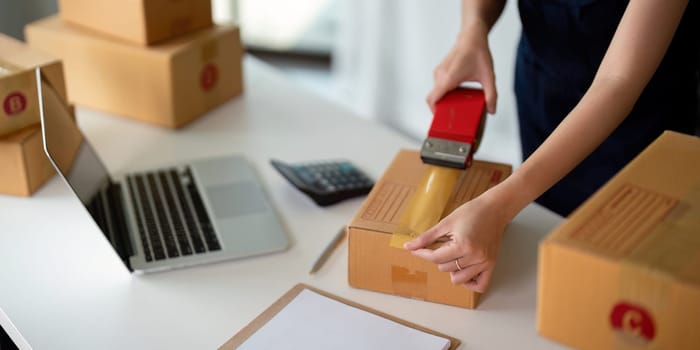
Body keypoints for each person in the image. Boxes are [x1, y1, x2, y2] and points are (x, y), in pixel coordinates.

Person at [404, 0, 699, 293]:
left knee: (620, 280)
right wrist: (473, 30)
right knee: (545, 256)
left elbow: (618, 80)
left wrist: (498, 206)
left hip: (640, 126)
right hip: (542, 90)